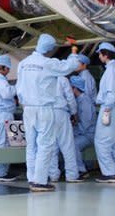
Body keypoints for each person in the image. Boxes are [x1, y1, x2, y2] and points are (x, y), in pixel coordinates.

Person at [16, 33, 80, 192]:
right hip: (44, 109)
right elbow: (70, 67)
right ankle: (40, 181)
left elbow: (19, 86)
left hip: (27, 108)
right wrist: (73, 50)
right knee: (45, 145)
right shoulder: (48, 64)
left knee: (31, 146)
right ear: (49, 48)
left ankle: (32, 178)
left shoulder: (23, 63)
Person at [94, 42, 115, 183]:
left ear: (105, 54)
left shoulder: (112, 70)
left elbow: (112, 93)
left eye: (100, 54)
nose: (99, 57)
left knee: (102, 142)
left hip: (110, 108)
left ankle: (110, 173)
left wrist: (106, 110)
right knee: (114, 144)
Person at [48, 75, 82, 183]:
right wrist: (73, 112)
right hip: (61, 113)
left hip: (47, 113)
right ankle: (71, 175)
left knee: (51, 146)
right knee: (67, 145)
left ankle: (53, 175)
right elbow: (70, 98)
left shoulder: (44, 77)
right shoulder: (63, 79)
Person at [69, 75, 95, 179]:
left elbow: (86, 124)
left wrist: (73, 131)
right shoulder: (79, 100)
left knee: (73, 144)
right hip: (83, 131)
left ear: (75, 88)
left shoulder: (85, 101)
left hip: (89, 134)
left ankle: (81, 170)